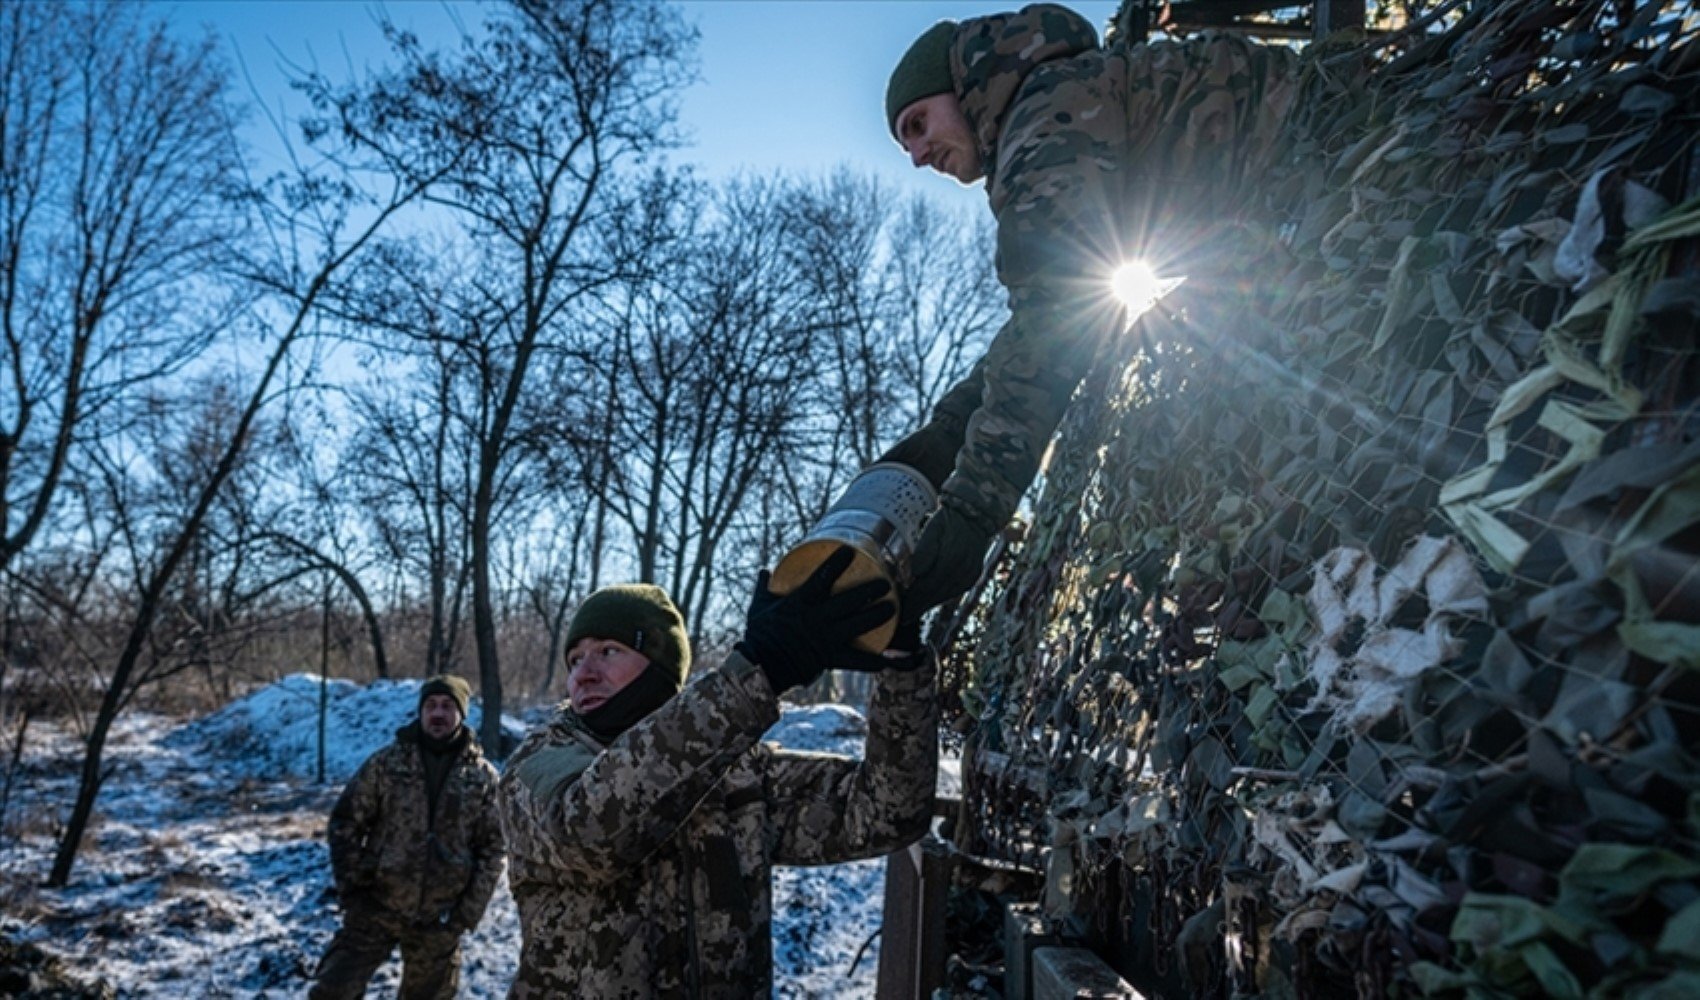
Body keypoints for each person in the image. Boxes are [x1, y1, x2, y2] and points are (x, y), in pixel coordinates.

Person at [881, 4, 1298, 616]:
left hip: (1333, 152)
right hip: (1301, 190)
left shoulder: (1044, 115)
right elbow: (1041, 320)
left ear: (959, 87)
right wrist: (948, 433)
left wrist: (971, 512)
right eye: (903, 144)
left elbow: (1056, 319)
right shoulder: (1046, 104)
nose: (918, 155)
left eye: (918, 124)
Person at [498, 547, 938, 998]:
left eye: (608, 651)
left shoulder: (740, 775)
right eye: (575, 660)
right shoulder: (537, 762)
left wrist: (901, 661)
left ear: (663, 667)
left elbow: (889, 811)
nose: (583, 675)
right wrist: (759, 670)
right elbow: (592, 831)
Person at [311, 675, 506, 1000]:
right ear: (420, 711)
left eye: (447, 706)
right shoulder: (387, 764)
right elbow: (345, 823)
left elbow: (494, 848)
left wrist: (464, 915)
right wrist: (354, 889)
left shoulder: (482, 778)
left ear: (462, 713)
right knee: (332, 990)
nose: (438, 713)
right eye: (430, 705)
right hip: (377, 905)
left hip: (438, 919)